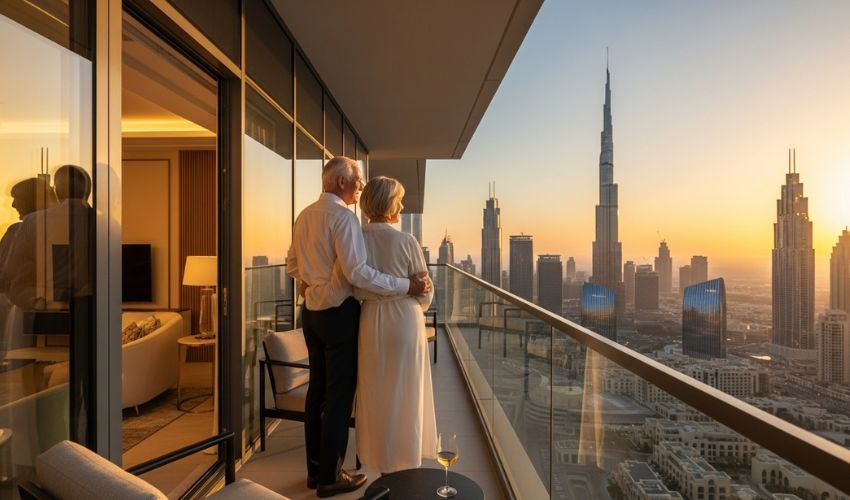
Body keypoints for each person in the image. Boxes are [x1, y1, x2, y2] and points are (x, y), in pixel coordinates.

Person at [286, 157, 431, 498]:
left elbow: (293, 264)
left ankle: (314, 471)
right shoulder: (343, 218)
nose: (362, 186)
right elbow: (359, 274)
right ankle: (330, 478)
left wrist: (312, 287)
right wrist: (406, 286)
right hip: (337, 315)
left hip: (311, 315)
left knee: (317, 392)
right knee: (338, 398)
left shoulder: (304, 215)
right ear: (341, 182)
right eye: (359, 179)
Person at [354, 176, 437, 473]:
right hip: (404, 321)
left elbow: (357, 288)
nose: (402, 205)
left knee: (375, 390)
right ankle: (407, 458)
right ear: (389, 204)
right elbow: (425, 292)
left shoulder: (355, 239)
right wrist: (412, 295)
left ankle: (378, 458)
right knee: (407, 391)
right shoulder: (406, 241)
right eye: (398, 199)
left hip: (371, 320)